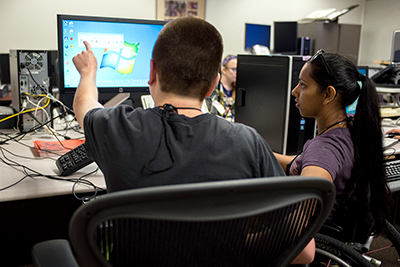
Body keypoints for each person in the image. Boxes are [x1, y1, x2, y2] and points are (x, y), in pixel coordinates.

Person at [72, 17, 314, 265]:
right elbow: (305, 251)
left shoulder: (115, 128)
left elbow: (84, 106)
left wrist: (88, 72)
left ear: (152, 72)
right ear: (213, 86)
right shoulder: (248, 142)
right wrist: (233, 246)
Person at [274, 50, 392, 242]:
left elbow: (299, 219)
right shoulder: (351, 130)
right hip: (341, 238)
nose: (294, 91)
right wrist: (259, 150)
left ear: (328, 94)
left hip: (314, 244)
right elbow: (303, 163)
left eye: (303, 85)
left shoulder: (324, 148)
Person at [209, 55, 237, 120]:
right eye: (234, 69)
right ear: (224, 70)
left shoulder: (239, 90)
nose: (237, 72)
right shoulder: (214, 88)